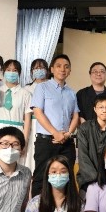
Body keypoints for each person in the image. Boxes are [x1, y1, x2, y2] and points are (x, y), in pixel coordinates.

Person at [31, 53, 79, 196]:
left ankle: (65, 209)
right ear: (51, 69)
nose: (62, 69)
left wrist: (68, 133)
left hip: (66, 142)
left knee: (67, 178)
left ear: (70, 70)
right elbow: (38, 112)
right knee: (41, 178)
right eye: (58, 66)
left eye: (66, 67)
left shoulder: (71, 92)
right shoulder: (42, 87)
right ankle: (37, 209)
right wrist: (55, 133)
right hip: (46, 141)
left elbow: (75, 115)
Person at [0, 59, 32, 167]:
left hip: (17, 131)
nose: (11, 72)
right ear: (3, 72)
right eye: (8, 70)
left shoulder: (25, 94)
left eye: (15, 70)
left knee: (15, 164)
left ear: (19, 73)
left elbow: (28, 120)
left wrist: (24, 141)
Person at [23, 58, 50, 175]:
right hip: (32, 123)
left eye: (42, 68)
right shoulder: (26, 89)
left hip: (48, 123)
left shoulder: (52, 86)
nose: (39, 70)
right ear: (31, 71)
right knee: (31, 154)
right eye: (36, 68)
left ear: (47, 70)